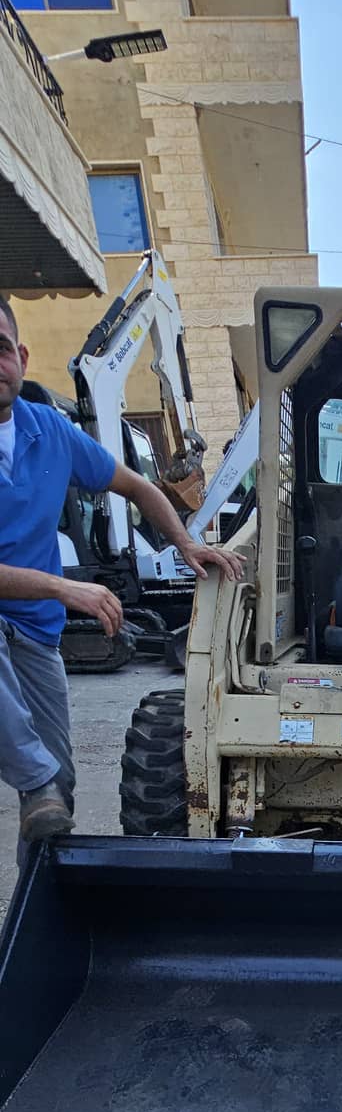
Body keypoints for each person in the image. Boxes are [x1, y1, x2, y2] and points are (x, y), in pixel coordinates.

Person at [0, 295, 242, 843]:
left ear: (21, 355)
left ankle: (44, 899)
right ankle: (35, 781)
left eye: (1, 349)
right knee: (39, 779)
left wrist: (185, 543)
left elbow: (135, 485)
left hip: (36, 629)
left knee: (55, 796)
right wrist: (66, 587)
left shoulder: (49, 431)